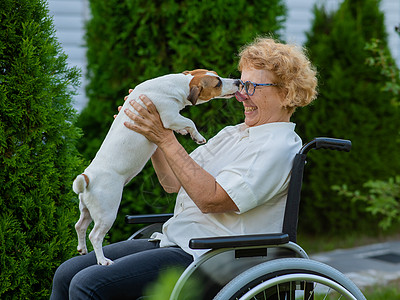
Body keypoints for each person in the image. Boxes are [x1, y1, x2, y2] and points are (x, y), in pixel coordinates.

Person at [50, 37, 317, 299]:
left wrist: (163, 135)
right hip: (177, 241)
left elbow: (211, 199)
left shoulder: (277, 146)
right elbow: (173, 182)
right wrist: (147, 129)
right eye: (242, 84)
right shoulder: (234, 134)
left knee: (88, 285)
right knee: (67, 273)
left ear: (286, 93)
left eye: (251, 86)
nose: (240, 95)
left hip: (214, 257)